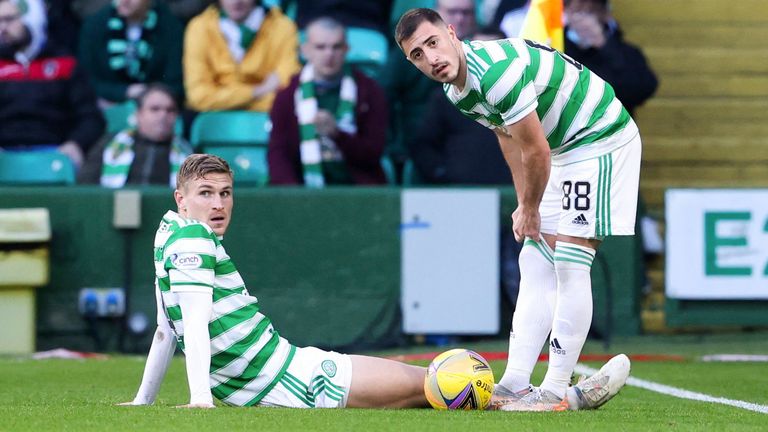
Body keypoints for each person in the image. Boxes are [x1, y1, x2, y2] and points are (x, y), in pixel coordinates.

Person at [119, 153, 619, 409]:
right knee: (438, 384)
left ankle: (546, 394)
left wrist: (145, 401)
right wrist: (201, 399)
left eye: (225, 193)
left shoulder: (170, 234)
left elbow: (168, 329)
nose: (219, 204)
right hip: (293, 379)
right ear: (181, 197)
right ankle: (562, 398)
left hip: (289, 367)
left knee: (427, 387)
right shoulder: (191, 243)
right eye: (205, 194)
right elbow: (192, 330)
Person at [396, 8, 635, 411]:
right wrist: (528, 210)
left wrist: (528, 206)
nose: (430, 58)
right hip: (563, 149)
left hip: (599, 137)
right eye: (417, 55)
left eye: (433, 42)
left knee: (571, 262)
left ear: (452, 33)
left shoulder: (495, 74)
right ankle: (514, 382)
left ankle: (555, 389)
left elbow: (535, 148)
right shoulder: (456, 91)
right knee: (534, 259)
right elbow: (508, 140)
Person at [268, 17, 386, 186]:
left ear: (346, 49)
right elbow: (279, 154)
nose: (329, 54)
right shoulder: (287, 95)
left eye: (336, 47)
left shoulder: (370, 92)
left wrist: (338, 135)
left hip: (357, 191)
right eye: (320, 47)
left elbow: (373, 153)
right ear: (305, 50)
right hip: (302, 193)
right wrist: (292, 198)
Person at [0, 0, 104, 168]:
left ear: (33, 18)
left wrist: (76, 143)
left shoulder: (65, 64)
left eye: (9, 19)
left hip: (55, 154)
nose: (3, 28)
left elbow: (90, 117)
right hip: (3, 155)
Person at [381, 0, 479, 175]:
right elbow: (383, 97)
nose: (460, 18)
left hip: (471, 144)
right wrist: (396, 146)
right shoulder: (411, 52)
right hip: (418, 143)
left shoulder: (482, 53)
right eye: (452, 12)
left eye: (466, 13)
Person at [183, 0, 300, 112]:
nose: (236, 1)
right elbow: (198, 97)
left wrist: (225, 100)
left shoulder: (283, 26)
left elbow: (287, 93)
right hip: (213, 118)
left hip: (267, 117)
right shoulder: (199, 27)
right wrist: (259, 90)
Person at [78, 83, 193, 187]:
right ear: (138, 114)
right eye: (155, 109)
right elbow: (86, 185)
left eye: (170, 110)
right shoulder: (110, 144)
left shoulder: (187, 153)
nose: (163, 115)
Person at [78, 0, 185, 107]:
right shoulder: (95, 25)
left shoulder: (170, 27)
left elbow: (174, 82)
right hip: (106, 106)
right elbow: (86, 80)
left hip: (154, 106)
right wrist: (124, 92)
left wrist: (148, 93)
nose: (124, 1)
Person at [563, 0, 657, 115]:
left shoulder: (626, 53)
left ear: (605, 14)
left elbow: (643, 88)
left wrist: (604, 45)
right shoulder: (555, 50)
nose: (585, 20)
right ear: (566, 12)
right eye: (578, 11)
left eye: (591, 11)